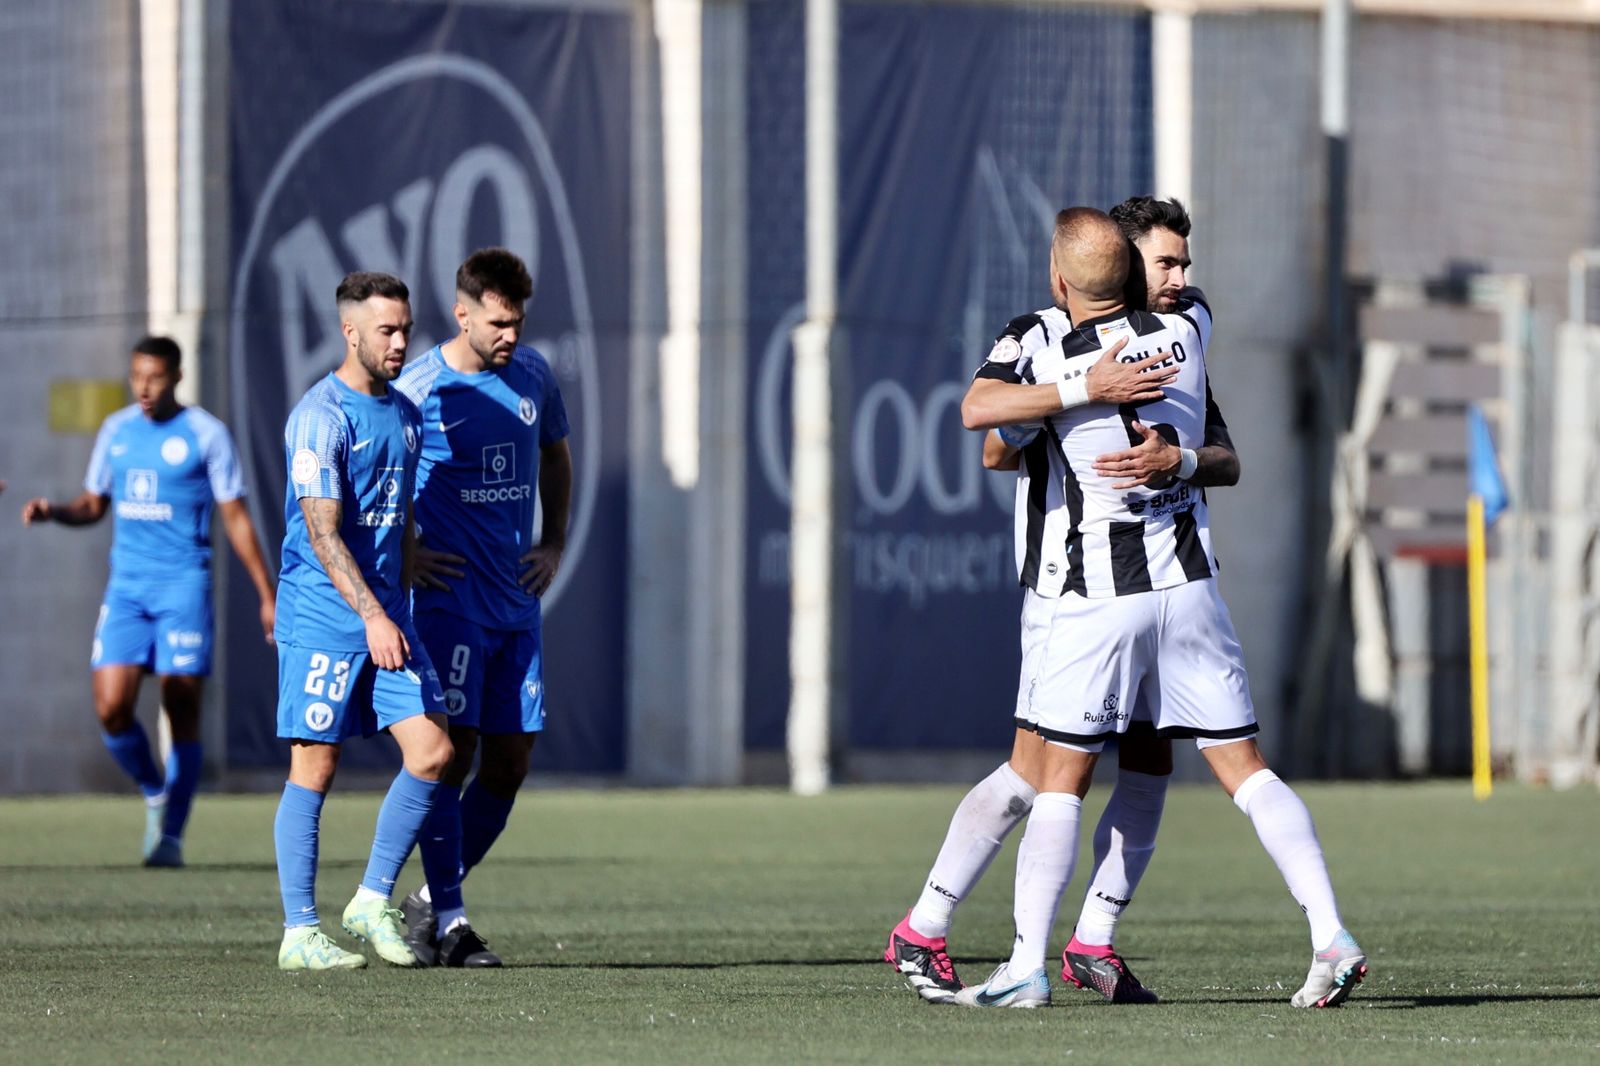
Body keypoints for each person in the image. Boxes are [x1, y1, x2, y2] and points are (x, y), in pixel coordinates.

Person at [945, 208, 1365, 1010]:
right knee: (1241, 770)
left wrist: (1082, 389)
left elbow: (984, 425)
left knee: (1061, 779)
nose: (1180, 278)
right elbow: (1181, 340)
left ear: (1061, 279)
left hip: (1100, 599)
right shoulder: (1193, 326)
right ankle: (1329, 934)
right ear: (1134, 272)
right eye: (1164, 264)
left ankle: (1027, 964)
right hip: (1191, 590)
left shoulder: (1054, 344)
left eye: (1182, 265)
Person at [21, 336, 275, 868]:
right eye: (137, 375)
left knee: (181, 705)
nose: (143, 386)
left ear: (177, 377)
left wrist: (265, 593)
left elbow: (235, 517)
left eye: (155, 376)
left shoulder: (207, 434)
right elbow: (94, 504)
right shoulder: (116, 431)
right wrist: (55, 512)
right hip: (127, 591)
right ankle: (155, 790)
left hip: (184, 587)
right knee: (112, 707)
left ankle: (172, 836)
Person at [392, 247, 572, 968]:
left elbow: (555, 456)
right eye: (497, 322)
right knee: (453, 753)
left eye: (518, 323)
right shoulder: (419, 388)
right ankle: (451, 920)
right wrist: (403, 555)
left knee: (511, 762)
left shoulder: (532, 375)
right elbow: (381, 475)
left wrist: (553, 540)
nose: (510, 336)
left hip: (514, 601)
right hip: (451, 600)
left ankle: (429, 902)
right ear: (462, 312)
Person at [270, 271, 453, 971]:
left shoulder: (405, 415)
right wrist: (375, 613)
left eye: (406, 328)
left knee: (433, 751)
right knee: (315, 767)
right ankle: (299, 934)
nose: (401, 341)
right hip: (326, 617)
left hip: (386, 617)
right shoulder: (320, 415)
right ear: (350, 332)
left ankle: (371, 898)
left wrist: (414, 563)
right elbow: (323, 533)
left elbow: (396, 513)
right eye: (387, 330)